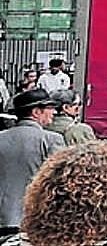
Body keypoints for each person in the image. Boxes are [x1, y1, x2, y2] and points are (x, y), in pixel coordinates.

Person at [0, 89, 65, 235]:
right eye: (50, 108)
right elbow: (60, 181)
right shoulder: (52, 140)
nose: (54, 112)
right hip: (33, 219)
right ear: (36, 112)